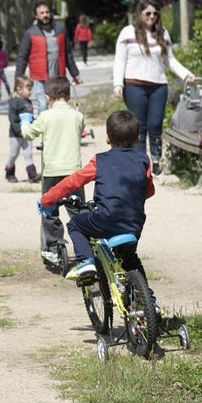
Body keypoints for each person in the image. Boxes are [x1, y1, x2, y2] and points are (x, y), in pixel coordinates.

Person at [39, 110, 154, 283]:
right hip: (134, 222)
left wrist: (47, 199)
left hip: (105, 218)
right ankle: (150, 303)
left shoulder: (100, 161)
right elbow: (149, 191)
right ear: (138, 138)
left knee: (75, 224)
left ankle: (86, 261)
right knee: (130, 258)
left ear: (108, 138)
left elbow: (73, 182)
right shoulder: (143, 159)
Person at [112, 0, 196, 175]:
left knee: (155, 124)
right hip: (134, 85)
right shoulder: (128, 32)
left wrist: (185, 74)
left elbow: (169, 60)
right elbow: (119, 60)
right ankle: (142, 162)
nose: (152, 17)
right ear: (140, 14)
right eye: (148, 13)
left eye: (155, 13)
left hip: (158, 85)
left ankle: (156, 160)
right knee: (139, 126)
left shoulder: (162, 33)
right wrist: (118, 84)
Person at [22, 77, 87, 267]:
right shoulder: (77, 115)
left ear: (47, 96)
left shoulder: (45, 116)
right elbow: (81, 130)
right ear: (68, 95)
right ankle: (85, 247)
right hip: (74, 172)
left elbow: (28, 134)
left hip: (52, 172)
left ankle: (52, 247)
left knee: (49, 210)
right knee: (78, 211)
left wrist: (25, 121)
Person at [15, 1, 81, 116]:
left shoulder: (61, 31)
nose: (45, 15)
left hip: (58, 77)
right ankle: (44, 131)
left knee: (59, 105)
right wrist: (18, 79)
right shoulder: (30, 33)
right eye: (41, 13)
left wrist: (75, 73)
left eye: (47, 12)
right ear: (36, 16)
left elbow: (68, 54)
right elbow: (22, 57)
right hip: (39, 78)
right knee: (43, 105)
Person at [5, 76, 36, 183]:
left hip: (27, 134)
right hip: (16, 135)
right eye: (29, 89)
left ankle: (32, 175)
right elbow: (12, 119)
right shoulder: (15, 102)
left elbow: (30, 117)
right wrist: (20, 131)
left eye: (31, 88)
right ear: (19, 89)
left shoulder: (29, 102)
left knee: (28, 154)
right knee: (14, 154)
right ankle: (9, 171)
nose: (31, 91)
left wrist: (33, 127)